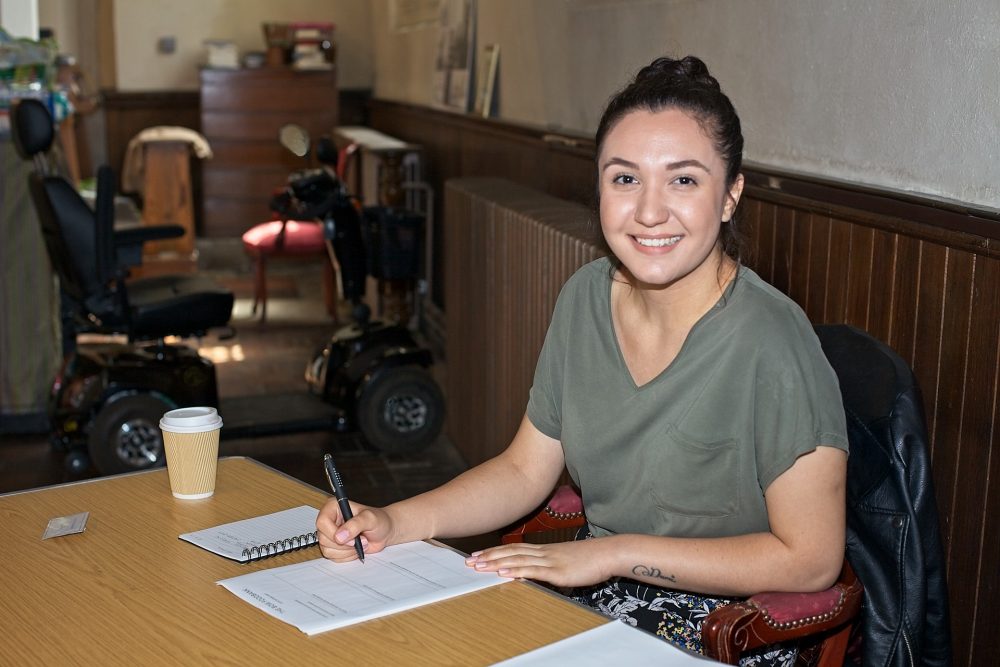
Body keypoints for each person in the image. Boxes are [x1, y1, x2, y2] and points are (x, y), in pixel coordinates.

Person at [316, 55, 848, 665]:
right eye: (625, 179)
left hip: (729, 623)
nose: (649, 211)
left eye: (683, 180)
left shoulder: (774, 341)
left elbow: (810, 560)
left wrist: (613, 552)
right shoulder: (584, 298)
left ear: (730, 196)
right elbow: (523, 472)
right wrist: (392, 520)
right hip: (599, 599)